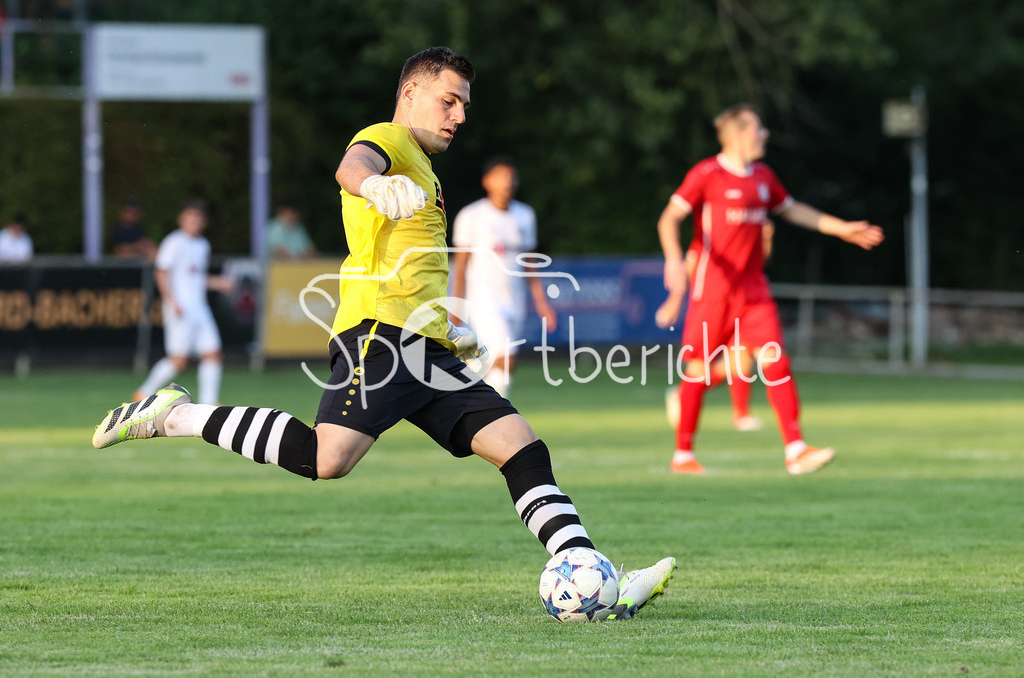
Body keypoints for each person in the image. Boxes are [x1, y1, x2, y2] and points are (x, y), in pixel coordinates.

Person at [93, 47, 675, 620]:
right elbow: (353, 166)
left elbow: (413, 266)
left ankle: (593, 575)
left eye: (465, 105)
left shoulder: (426, 169)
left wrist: (447, 322)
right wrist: (371, 185)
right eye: (449, 101)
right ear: (410, 93)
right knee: (328, 458)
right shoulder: (388, 140)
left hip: (426, 344)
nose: (459, 116)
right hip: (381, 336)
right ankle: (172, 415)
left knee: (520, 446)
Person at [656, 104, 883, 475]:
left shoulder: (763, 176)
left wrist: (841, 228)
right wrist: (672, 260)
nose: (765, 135)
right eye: (759, 129)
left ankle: (796, 449)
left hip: (754, 291)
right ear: (739, 134)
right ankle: (683, 454)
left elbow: (792, 210)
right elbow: (669, 218)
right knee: (697, 372)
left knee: (776, 362)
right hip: (713, 291)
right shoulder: (707, 174)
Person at [450, 156, 557, 397]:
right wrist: (456, 306)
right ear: (487, 181)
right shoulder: (472, 216)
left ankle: (474, 401)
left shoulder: (525, 216)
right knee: (505, 357)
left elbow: (529, 262)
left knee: (503, 365)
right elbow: (461, 265)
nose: (507, 182)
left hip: (514, 301)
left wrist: (542, 303)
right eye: (500, 176)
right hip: (484, 302)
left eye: (511, 177)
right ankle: (493, 414)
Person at [660, 225, 776, 432]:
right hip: (712, 308)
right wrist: (674, 302)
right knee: (709, 367)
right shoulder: (707, 241)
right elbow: (688, 269)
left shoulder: (744, 240)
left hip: (743, 305)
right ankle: (686, 396)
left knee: (739, 360)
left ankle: (740, 414)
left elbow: (759, 263)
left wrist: (765, 238)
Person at [131, 199, 235, 406]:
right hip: (181, 308)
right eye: (190, 217)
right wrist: (171, 301)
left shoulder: (203, 244)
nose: (194, 222)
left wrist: (217, 283)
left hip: (200, 309)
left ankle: (209, 403)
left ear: (203, 222)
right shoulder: (174, 242)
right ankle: (143, 392)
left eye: (198, 218)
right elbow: (160, 272)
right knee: (179, 360)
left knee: (213, 353)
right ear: (182, 219)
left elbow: (196, 278)